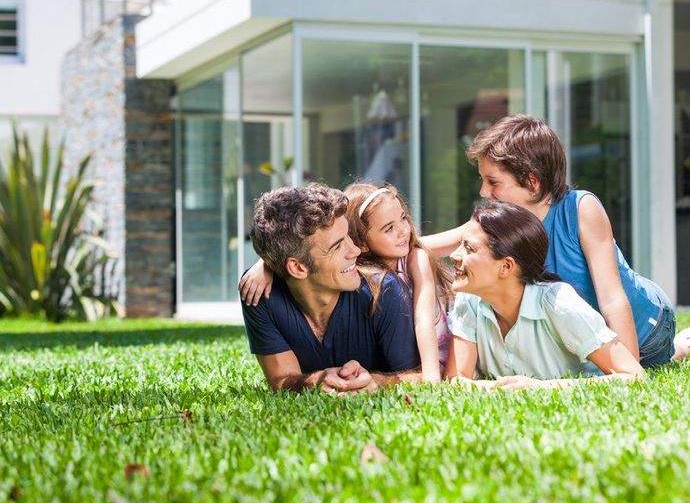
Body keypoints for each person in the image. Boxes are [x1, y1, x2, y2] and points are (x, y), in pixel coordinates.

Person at [426, 114, 689, 367]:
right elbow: (440, 242)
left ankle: (681, 345)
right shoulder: (504, 220)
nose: (484, 192)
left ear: (532, 182)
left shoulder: (580, 209)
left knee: (660, 358)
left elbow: (612, 299)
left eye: (493, 182)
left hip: (646, 328)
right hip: (588, 336)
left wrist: (628, 366)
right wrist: (401, 240)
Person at [240, 182, 453, 382]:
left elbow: (418, 375)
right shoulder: (258, 291)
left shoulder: (388, 286)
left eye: (349, 237)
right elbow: (281, 381)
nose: (355, 251)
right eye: (337, 246)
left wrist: (377, 382)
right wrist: (266, 262)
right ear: (297, 268)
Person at [445, 200, 645, 389]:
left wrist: (539, 387)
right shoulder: (469, 299)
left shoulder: (559, 304)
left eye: (469, 248)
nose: (454, 255)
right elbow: (456, 380)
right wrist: (497, 389)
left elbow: (633, 375)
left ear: (506, 266)